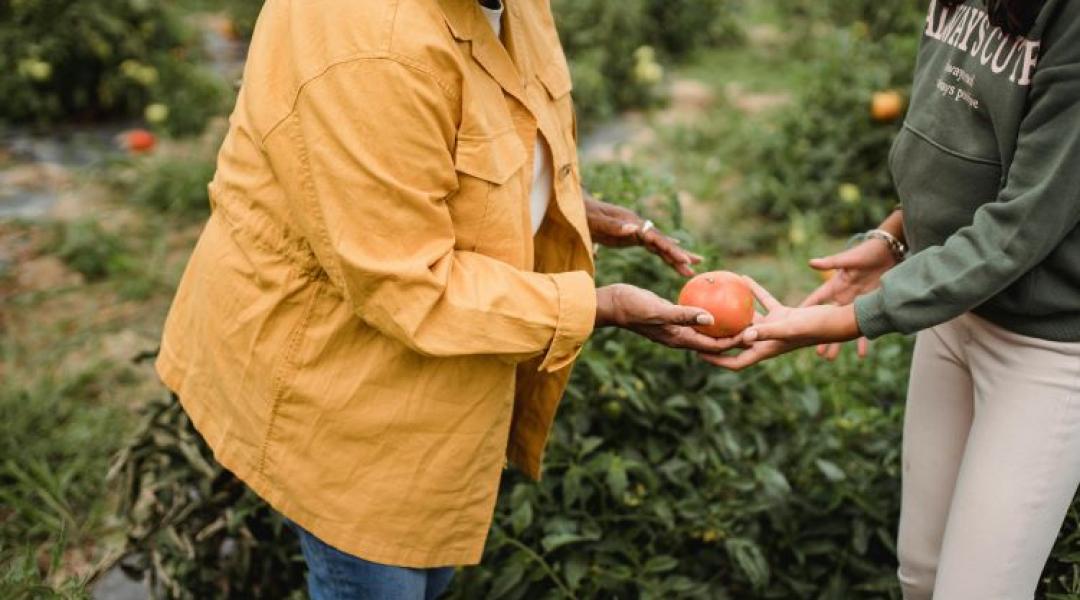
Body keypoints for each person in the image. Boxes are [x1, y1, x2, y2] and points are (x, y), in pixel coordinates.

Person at [154, 0, 736, 598]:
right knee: (383, 576)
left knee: (425, 569)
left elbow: (462, 138)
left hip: (440, 374)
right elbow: (404, 281)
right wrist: (600, 305)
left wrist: (555, 203)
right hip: (340, 382)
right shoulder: (370, 41)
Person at [707, 0, 1080, 598]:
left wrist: (855, 318)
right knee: (922, 573)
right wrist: (899, 234)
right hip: (954, 306)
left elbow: (1027, 220)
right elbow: (969, 135)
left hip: (1046, 347)